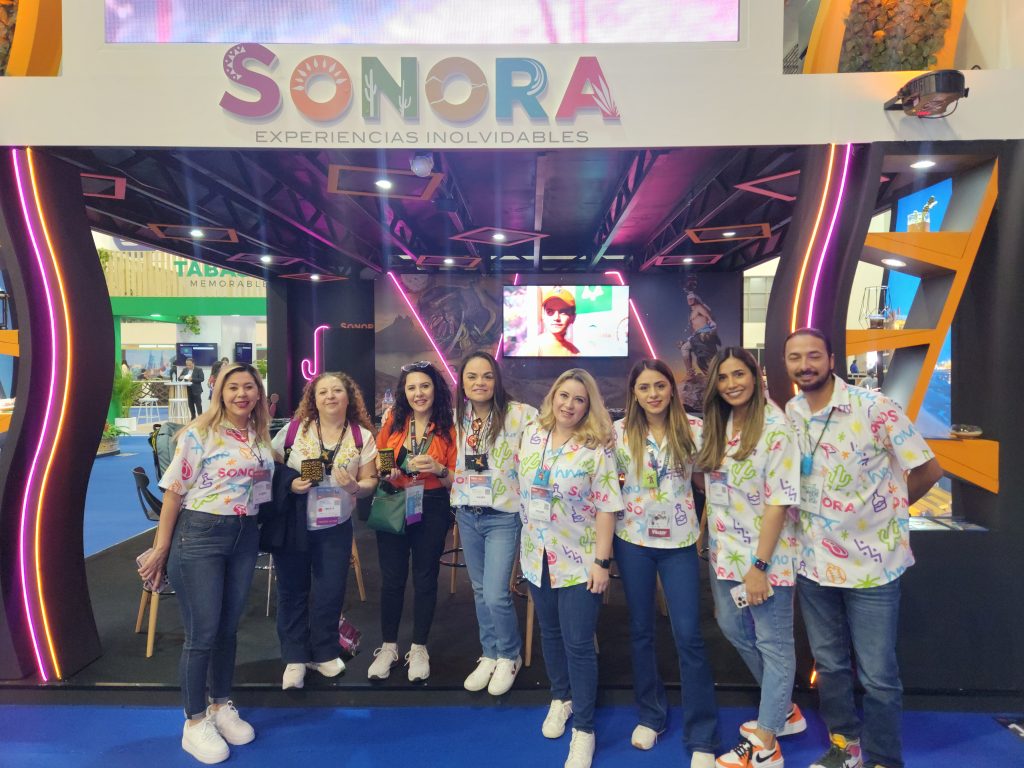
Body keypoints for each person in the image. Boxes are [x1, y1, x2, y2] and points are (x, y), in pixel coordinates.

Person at [784, 328, 943, 768]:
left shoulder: (875, 408)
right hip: (814, 564)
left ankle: (883, 758)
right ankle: (846, 746)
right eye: (795, 358)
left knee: (878, 674)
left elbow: (928, 469)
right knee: (830, 667)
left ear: (831, 359)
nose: (804, 365)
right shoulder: (792, 413)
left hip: (874, 566)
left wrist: (891, 513)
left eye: (813, 355)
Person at [137, 363, 273, 765]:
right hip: (200, 535)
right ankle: (194, 721)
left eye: (249, 387)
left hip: (245, 537)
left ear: (259, 393)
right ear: (219, 392)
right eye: (233, 387)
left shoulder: (259, 436)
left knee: (229, 629)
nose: (242, 394)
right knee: (203, 633)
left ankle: (220, 704)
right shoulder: (199, 434)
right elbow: (174, 493)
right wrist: (161, 548)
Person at [696, 348, 801, 768]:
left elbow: (779, 502)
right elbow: (713, 481)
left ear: (755, 376)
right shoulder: (719, 424)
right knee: (732, 626)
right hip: (725, 552)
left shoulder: (775, 427)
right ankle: (783, 709)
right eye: (723, 378)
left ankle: (768, 743)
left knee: (773, 643)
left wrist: (759, 567)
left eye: (739, 374)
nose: (731, 384)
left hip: (764, 558)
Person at [613, 359, 720, 767]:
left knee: (689, 634)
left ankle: (702, 733)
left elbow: (705, 479)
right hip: (632, 541)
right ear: (634, 394)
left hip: (679, 542)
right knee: (641, 630)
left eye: (659, 385)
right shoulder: (618, 433)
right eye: (644, 387)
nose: (653, 394)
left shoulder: (692, 428)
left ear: (671, 389)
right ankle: (651, 714)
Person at [516, 368, 623, 768]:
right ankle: (561, 697)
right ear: (553, 396)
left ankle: (585, 728)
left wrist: (602, 561)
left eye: (579, 399)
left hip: (580, 560)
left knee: (578, 643)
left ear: (588, 405)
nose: (569, 405)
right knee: (550, 633)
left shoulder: (595, 447)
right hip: (537, 553)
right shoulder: (533, 434)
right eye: (564, 395)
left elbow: (607, 506)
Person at [264, 372, 378, 691]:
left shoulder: (360, 436)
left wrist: (355, 486)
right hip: (295, 523)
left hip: (336, 526)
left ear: (348, 396)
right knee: (292, 591)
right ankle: (295, 657)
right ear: (313, 399)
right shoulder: (294, 431)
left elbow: (371, 481)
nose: (330, 396)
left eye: (337, 390)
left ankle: (325, 651)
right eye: (323, 391)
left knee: (330, 591)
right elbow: (271, 467)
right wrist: (291, 483)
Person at [451, 351, 537, 696]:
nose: (480, 383)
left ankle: (509, 654)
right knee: (479, 590)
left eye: (487, 376)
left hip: (503, 514)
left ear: (497, 380)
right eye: (472, 376)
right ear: (462, 382)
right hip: (467, 512)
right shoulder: (458, 416)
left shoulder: (520, 414)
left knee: (497, 593)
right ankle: (489, 652)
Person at [367, 360, 457, 682]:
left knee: (425, 577)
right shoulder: (394, 420)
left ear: (435, 389)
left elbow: (456, 478)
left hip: (431, 504)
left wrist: (439, 469)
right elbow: (381, 457)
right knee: (391, 578)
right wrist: (388, 470)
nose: (419, 393)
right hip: (394, 500)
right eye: (412, 387)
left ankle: (419, 647)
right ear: (404, 392)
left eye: (425, 386)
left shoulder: (448, 427)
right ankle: (388, 646)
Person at [518, 288, 580, 356]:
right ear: (543, 316)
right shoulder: (531, 349)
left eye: (563, 312)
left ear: (573, 317)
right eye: (550, 312)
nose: (556, 318)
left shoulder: (575, 353)